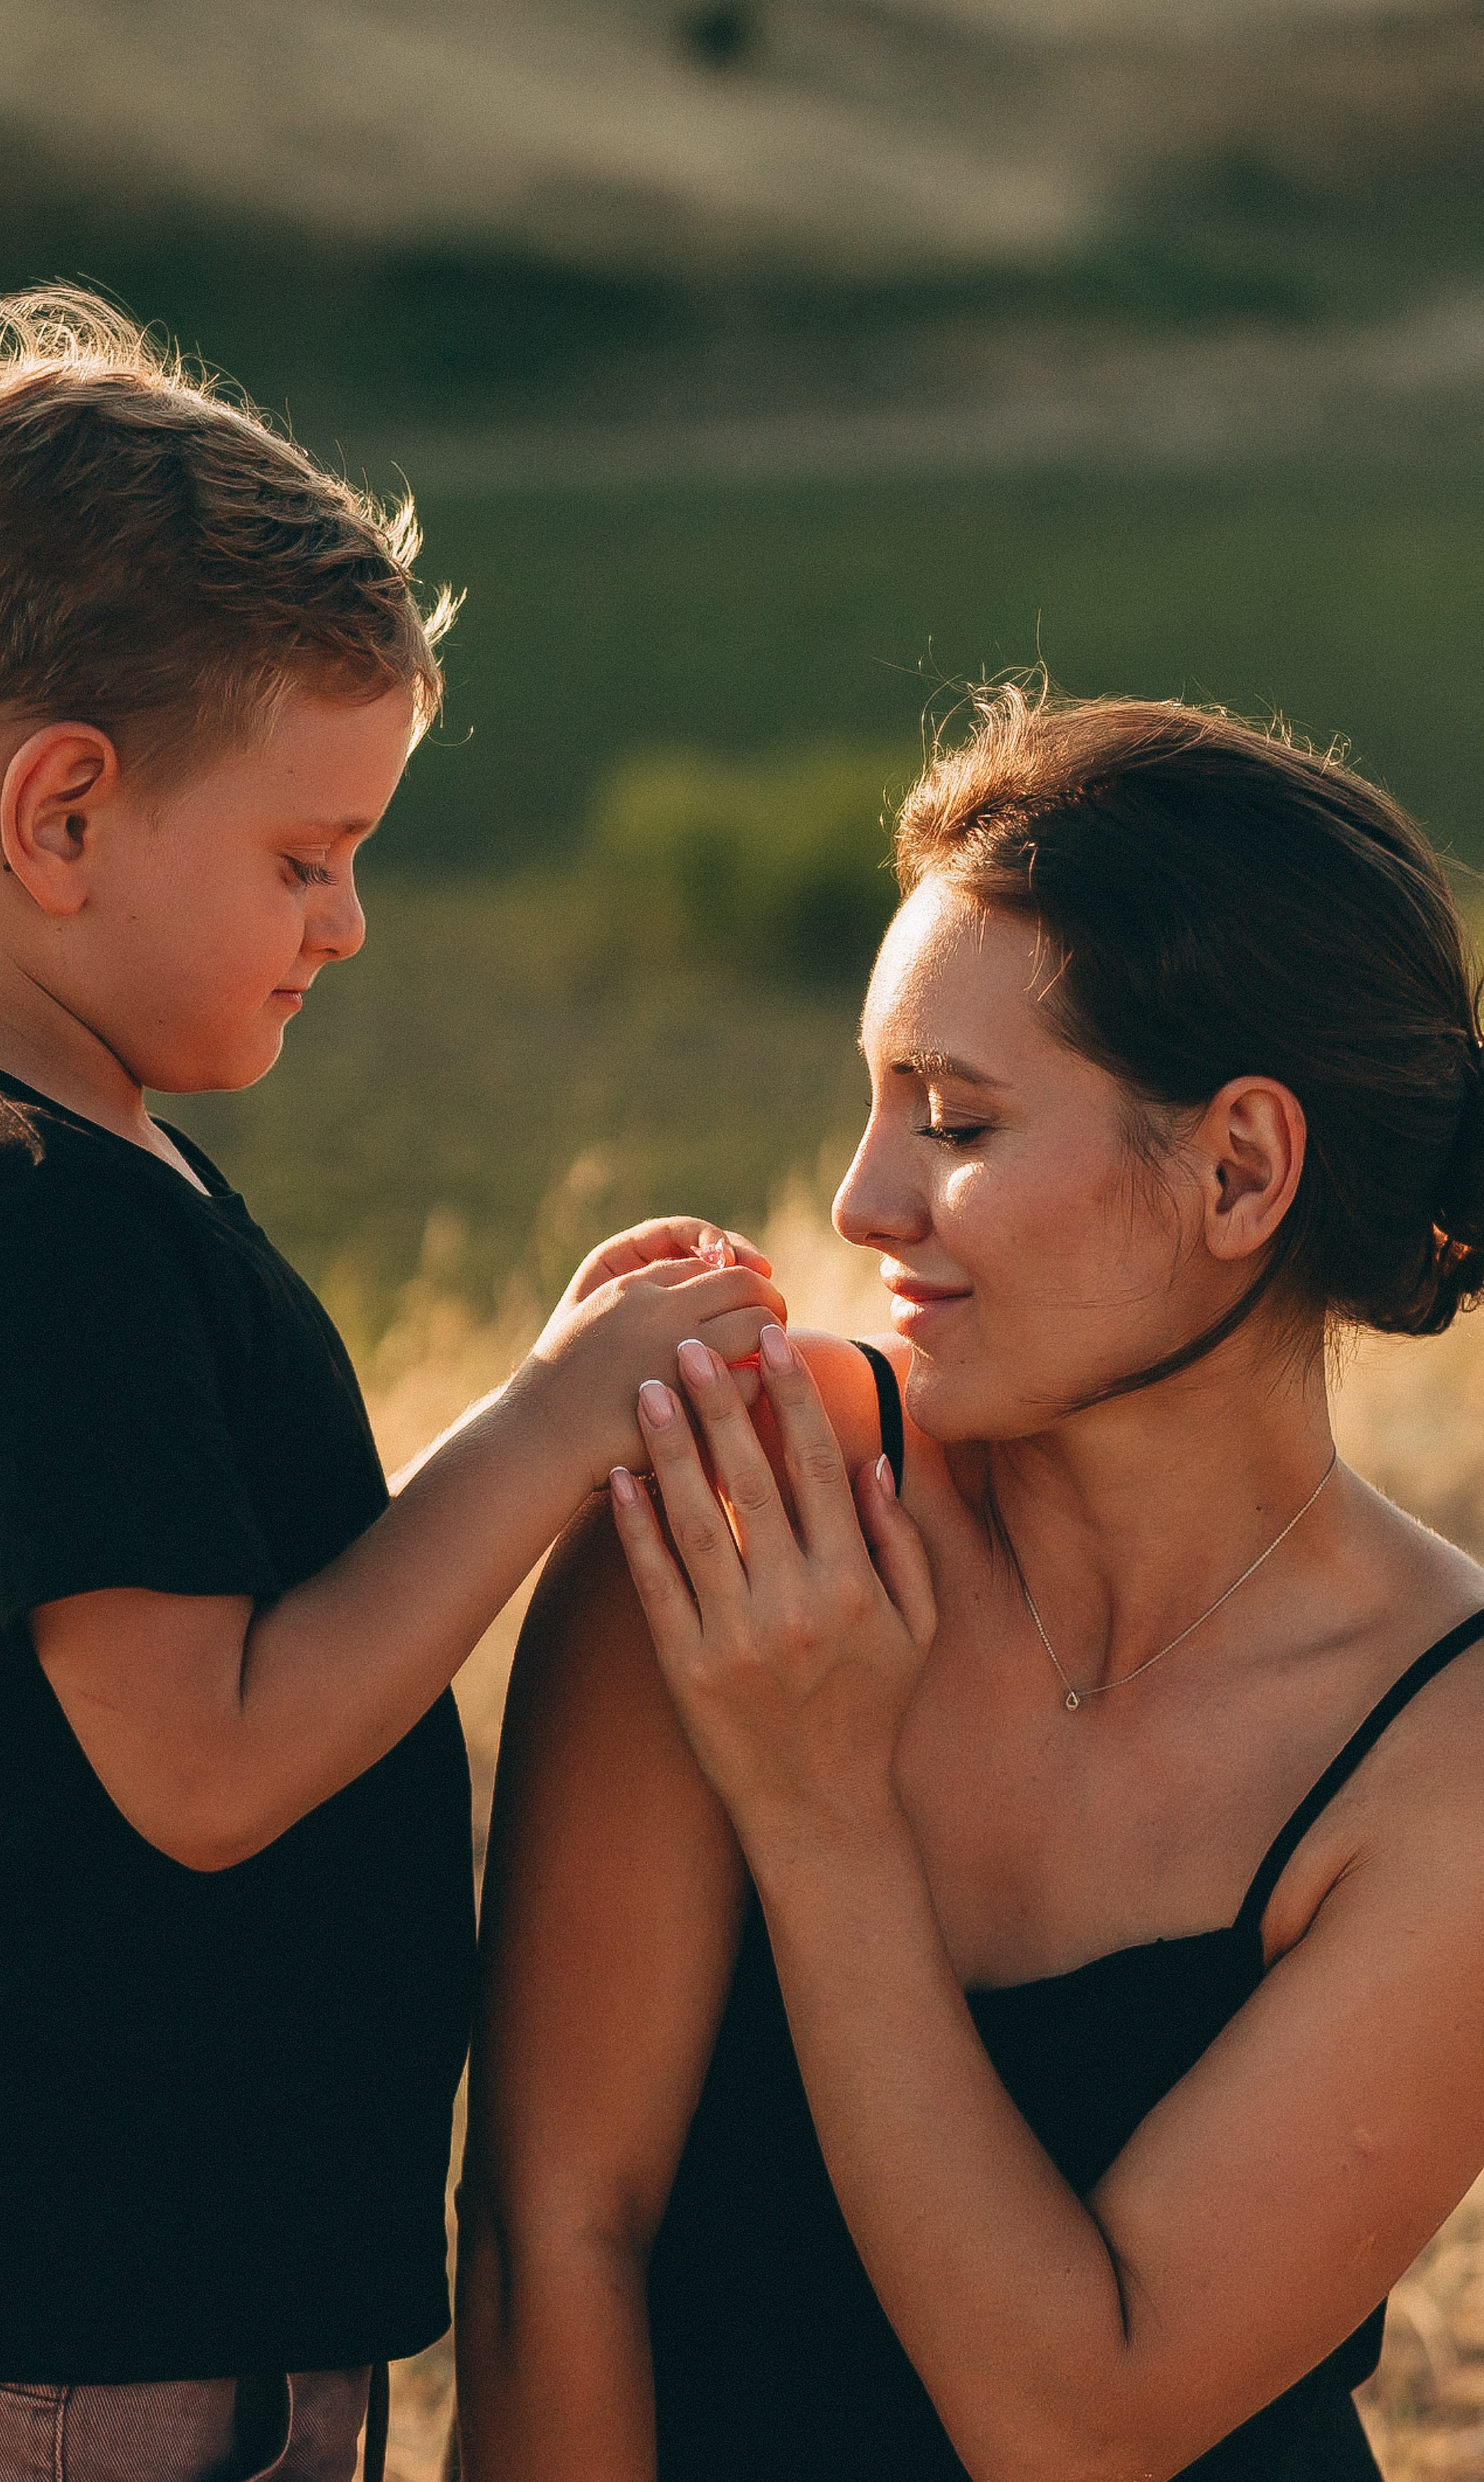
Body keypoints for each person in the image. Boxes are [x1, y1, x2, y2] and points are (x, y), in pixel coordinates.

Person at [0, 286, 784, 2482]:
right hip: (63, 2382)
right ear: (59, 815)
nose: (348, 922)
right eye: (304, 856)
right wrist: (547, 1426)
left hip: (111, 2348)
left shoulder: (53, 1175)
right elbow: (209, 1760)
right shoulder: (29, 1237)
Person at [459, 688, 1484, 2481]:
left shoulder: (1449, 1762)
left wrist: (824, 1812)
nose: (861, 1203)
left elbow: (1074, 2422)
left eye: (955, 1122)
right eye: (874, 1104)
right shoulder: (750, 1495)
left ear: (1240, 1169)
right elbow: (555, 2237)